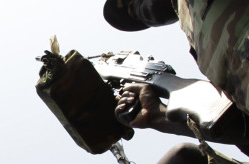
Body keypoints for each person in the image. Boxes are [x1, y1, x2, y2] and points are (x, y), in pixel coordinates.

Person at [101, 0, 249, 117]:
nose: (134, 6)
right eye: (132, 11)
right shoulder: (200, 44)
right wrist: (157, 115)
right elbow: (235, 125)